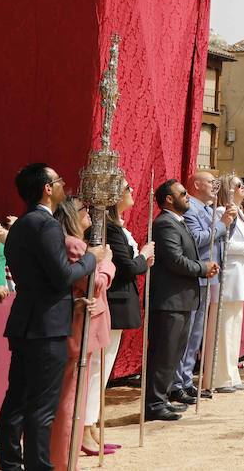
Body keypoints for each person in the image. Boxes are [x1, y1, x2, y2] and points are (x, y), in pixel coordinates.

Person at [0, 163, 99, 471]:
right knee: (40, 408)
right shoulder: (47, 225)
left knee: (17, 402)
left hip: (29, 321)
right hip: (46, 327)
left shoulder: (23, 224)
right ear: (46, 188)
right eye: (59, 181)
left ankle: (11, 465)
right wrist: (93, 259)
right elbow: (62, 275)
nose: (63, 185)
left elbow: (43, 278)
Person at [47, 197, 115, 466]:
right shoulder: (73, 244)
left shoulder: (74, 243)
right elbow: (92, 284)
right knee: (70, 402)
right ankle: (64, 460)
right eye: (84, 210)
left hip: (81, 323)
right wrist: (108, 264)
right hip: (77, 327)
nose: (89, 214)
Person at [145, 178, 216, 422]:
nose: (187, 197)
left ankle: (161, 399)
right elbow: (175, 260)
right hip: (169, 301)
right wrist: (202, 267)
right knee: (163, 355)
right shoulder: (165, 223)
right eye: (183, 194)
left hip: (183, 299)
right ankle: (154, 403)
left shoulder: (179, 222)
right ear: (168, 199)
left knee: (173, 354)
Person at [91, 179, 152, 449]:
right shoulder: (110, 228)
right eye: (127, 188)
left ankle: (91, 425)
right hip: (113, 302)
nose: (132, 193)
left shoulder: (119, 228)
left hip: (120, 301)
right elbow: (126, 267)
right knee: (97, 368)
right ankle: (85, 427)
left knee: (103, 369)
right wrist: (145, 257)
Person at [175, 170, 226, 403]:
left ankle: (186, 379)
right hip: (195, 274)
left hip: (210, 275)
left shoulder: (208, 209)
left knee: (196, 334)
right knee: (187, 333)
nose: (215, 186)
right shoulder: (192, 209)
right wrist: (223, 224)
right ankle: (178, 382)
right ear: (196, 185)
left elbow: (220, 238)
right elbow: (197, 239)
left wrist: (228, 222)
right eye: (210, 182)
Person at [211, 177, 244, 392]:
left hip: (241, 277)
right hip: (228, 277)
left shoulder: (239, 214)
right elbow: (226, 245)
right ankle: (219, 377)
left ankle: (231, 374)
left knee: (234, 328)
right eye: (239, 186)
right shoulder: (221, 213)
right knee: (223, 330)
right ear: (229, 189)